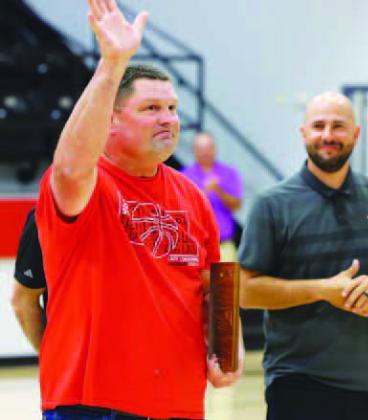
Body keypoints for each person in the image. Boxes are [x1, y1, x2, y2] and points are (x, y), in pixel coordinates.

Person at [35, 1, 242, 419]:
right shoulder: (88, 185)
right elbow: (72, 168)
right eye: (151, 109)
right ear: (110, 121)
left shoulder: (192, 195)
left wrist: (228, 343)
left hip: (177, 399)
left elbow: (211, 283)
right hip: (92, 402)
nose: (168, 119)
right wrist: (112, 66)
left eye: (172, 108)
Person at [238, 91, 368, 420]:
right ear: (303, 133)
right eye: (318, 126)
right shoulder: (273, 204)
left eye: (338, 126)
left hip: (367, 385)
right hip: (296, 381)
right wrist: (323, 290)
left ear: (355, 133)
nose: (327, 136)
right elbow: (245, 290)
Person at [182, 132, 243, 262]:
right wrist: (204, 193)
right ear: (194, 151)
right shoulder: (184, 176)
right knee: (196, 283)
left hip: (224, 245)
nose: (205, 153)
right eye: (201, 149)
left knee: (225, 283)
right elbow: (181, 210)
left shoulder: (228, 173)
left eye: (208, 148)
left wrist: (218, 190)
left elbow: (237, 205)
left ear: (214, 149)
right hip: (194, 246)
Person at [11, 208, 47, 352]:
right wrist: (50, 360)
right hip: (74, 359)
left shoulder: (120, 211)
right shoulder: (43, 217)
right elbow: (23, 301)